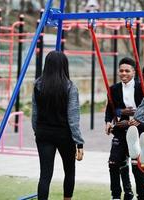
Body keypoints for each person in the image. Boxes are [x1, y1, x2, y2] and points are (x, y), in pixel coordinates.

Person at [32, 51, 84, 200]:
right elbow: (73, 118)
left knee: (45, 175)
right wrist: (79, 142)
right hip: (64, 136)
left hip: (43, 134)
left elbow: (34, 114)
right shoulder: (70, 87)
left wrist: (38, 132)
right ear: (64, 66)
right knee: (69, 171)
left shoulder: (38, 84)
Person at [105, 57, 144, 200]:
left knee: (137, 166)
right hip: (121, 129)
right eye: (121, 71)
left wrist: (137, 115)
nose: (123, 73)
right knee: (113, 163)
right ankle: (116, 196)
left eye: (127, 71)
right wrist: (109, 120)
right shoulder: (114, 89)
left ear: (134, 72)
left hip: (139, 130)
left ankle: (142, 196)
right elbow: (110, 110)